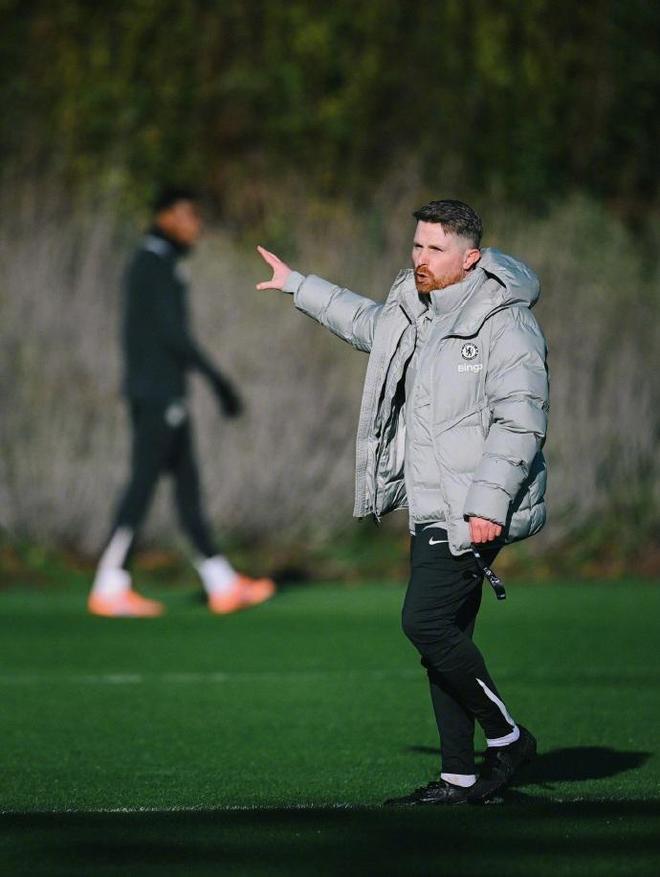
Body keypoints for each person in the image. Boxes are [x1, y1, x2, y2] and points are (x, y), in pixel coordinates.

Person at [256, 199, 548, 804]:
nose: (421, 257)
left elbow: (521, 420)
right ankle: (459, 777)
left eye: (435, 248)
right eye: (417, 245)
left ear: (470, 258)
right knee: (444, 641)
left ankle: (508, 737)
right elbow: (368, 322)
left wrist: (488, 505)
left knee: (425, 623)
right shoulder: (415, 307)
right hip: (429, 506)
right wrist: (298, 285)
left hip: (473, 510)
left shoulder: (506, 322)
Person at [88, 188, 275, 617]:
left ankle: (222, 583)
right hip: (157, 394)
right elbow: (173, 334)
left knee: (187, 487)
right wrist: (217, 380)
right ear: (165, 216)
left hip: (164, 392)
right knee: (143, 483)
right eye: (189, 215)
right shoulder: (152, 263)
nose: (197, 225)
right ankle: (109, 583)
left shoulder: (161, 262)